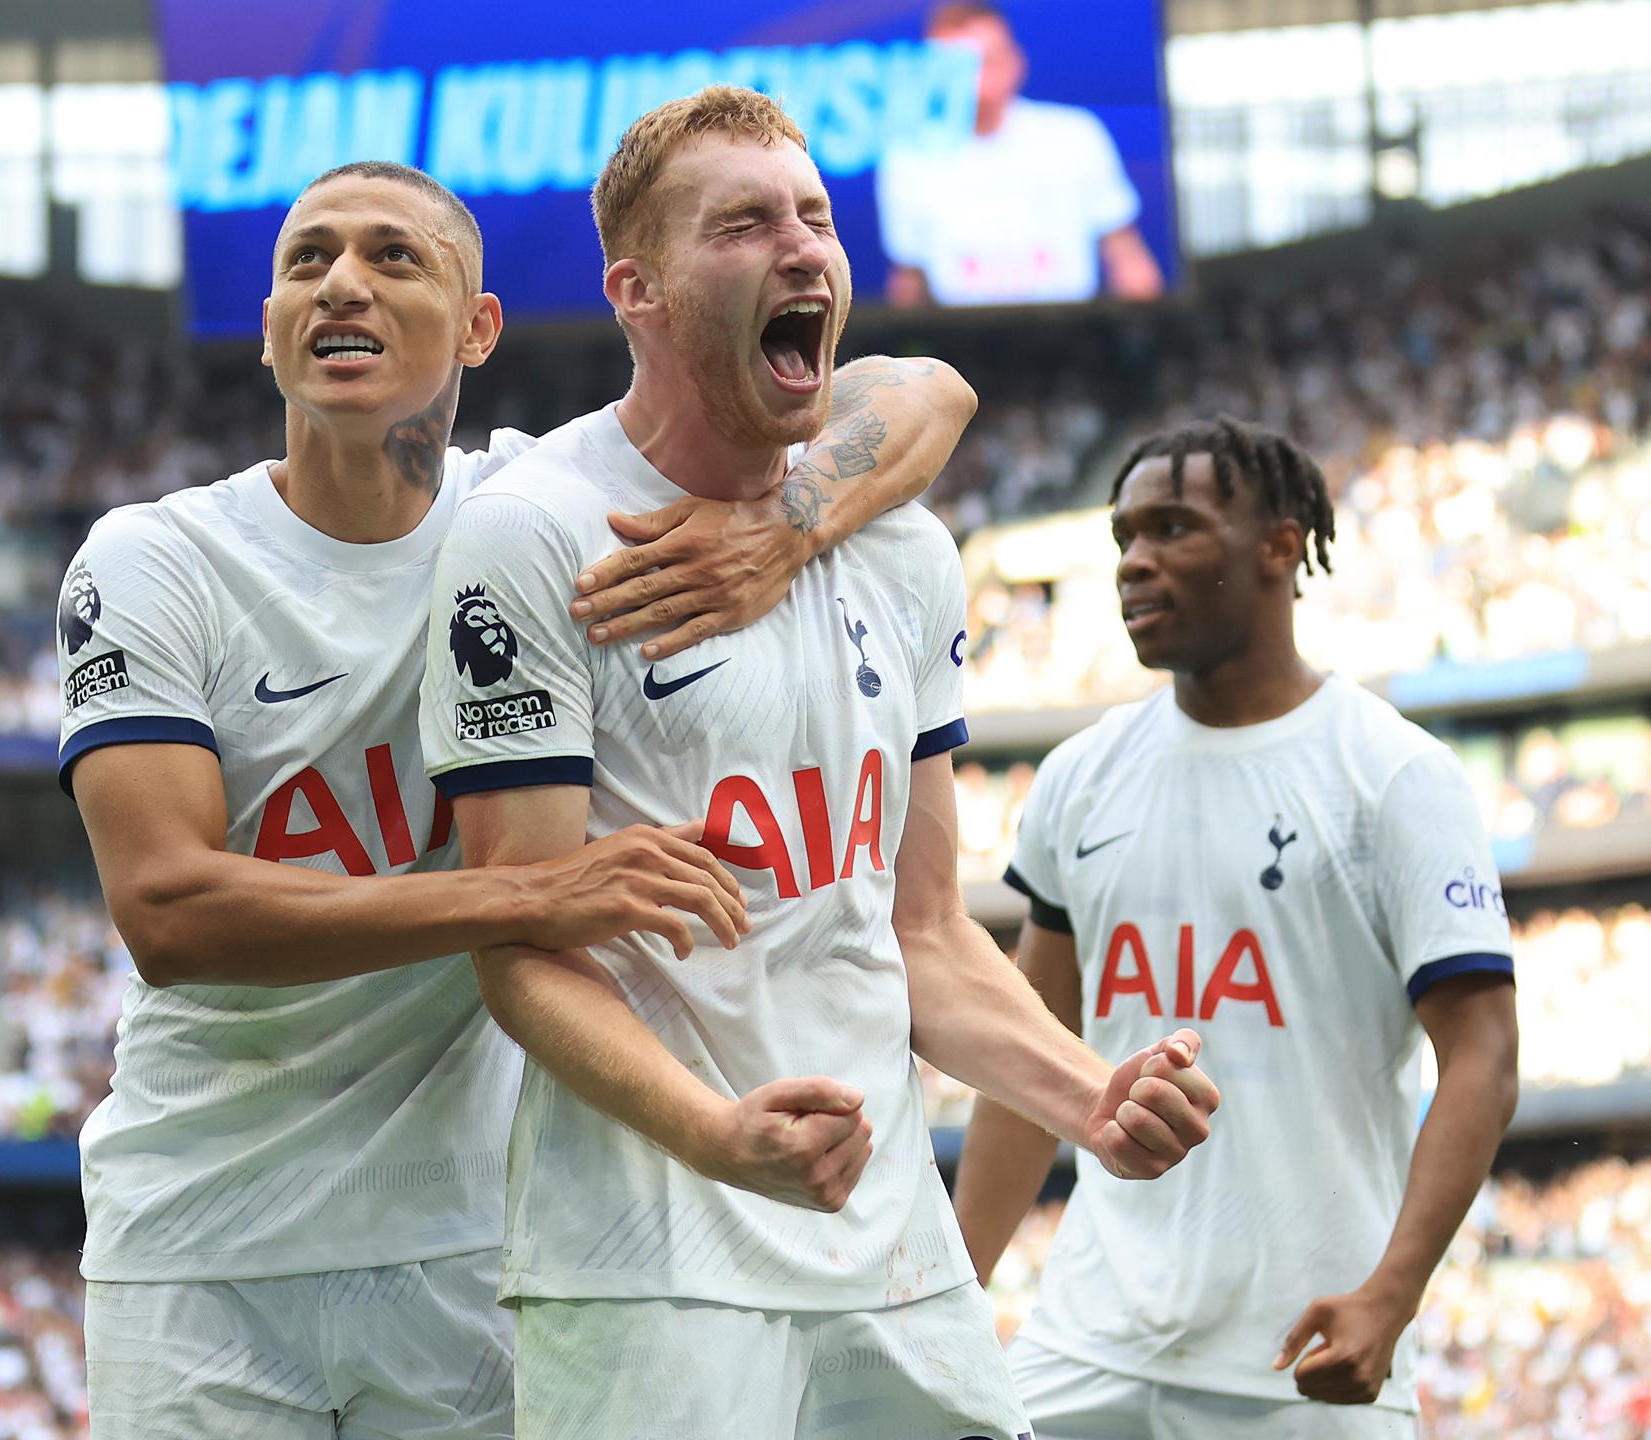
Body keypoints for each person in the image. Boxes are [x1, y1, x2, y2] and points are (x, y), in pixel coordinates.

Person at [58, 159, 979, 1438]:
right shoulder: (156, 561)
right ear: (271, 332)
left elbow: (925, 390)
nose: (341, 284)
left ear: (479, 329)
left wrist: (792, 524)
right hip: (205, 1241)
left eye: (394, 258)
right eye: (305, 261)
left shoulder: (528, 515)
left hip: (473, 1247)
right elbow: (168, 908)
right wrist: (530, 889)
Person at [418, 86, 1220, 1440]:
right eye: (744, 225)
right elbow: (526, 944)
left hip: (893, 1248)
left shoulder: (899, 549)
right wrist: (717, 1138)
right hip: (651, 1260)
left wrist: (1094, 1094)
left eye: (818, 219)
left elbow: (922, 932)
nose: (804, 250)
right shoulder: (534, 536)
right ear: (643, 290)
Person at [952, 416, 1521, 1440]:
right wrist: (954, 1299)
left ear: (1280, 545)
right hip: (1085, 1346)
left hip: (1300, 1364)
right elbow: (1026, 1057)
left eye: (1173, 528)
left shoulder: (1392, 776)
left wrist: (1390, 1296)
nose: (1134, 563)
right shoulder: (1082, 776)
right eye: (1124, 535)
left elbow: (1482, 1056)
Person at [877, 1, 1165, 306]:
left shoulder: (1076, 135)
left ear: (1015, 62)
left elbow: (1126, 256)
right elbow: (908, 280)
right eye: (957, 68)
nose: (975, 82)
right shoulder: (907, 158)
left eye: (986, 63)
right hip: (962, 343)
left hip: (1073, 335)